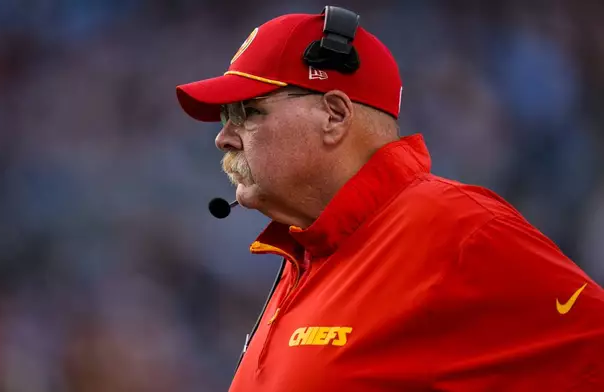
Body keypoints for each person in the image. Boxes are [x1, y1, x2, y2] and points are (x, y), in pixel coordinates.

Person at [175, 6, 604, 392]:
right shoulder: (304, 257)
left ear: (335, 115)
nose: (222, 137)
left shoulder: (459, 230)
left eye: (246, 112)